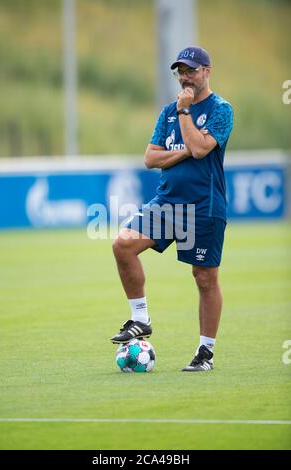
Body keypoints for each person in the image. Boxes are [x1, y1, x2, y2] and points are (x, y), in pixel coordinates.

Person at [111, 46, 234, 371]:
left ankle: (205, 353)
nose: (184, 77)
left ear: (207, 71)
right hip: (167, 203)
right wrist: (183, 150)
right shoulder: (167, 112)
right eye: (180, 71)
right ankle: (141, 319)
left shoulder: (221, 109)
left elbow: (199, 146)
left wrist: (184, 113)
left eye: (191, 70)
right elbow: (151, 158)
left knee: (205, 277)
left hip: (204, 205)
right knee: (123, 244)